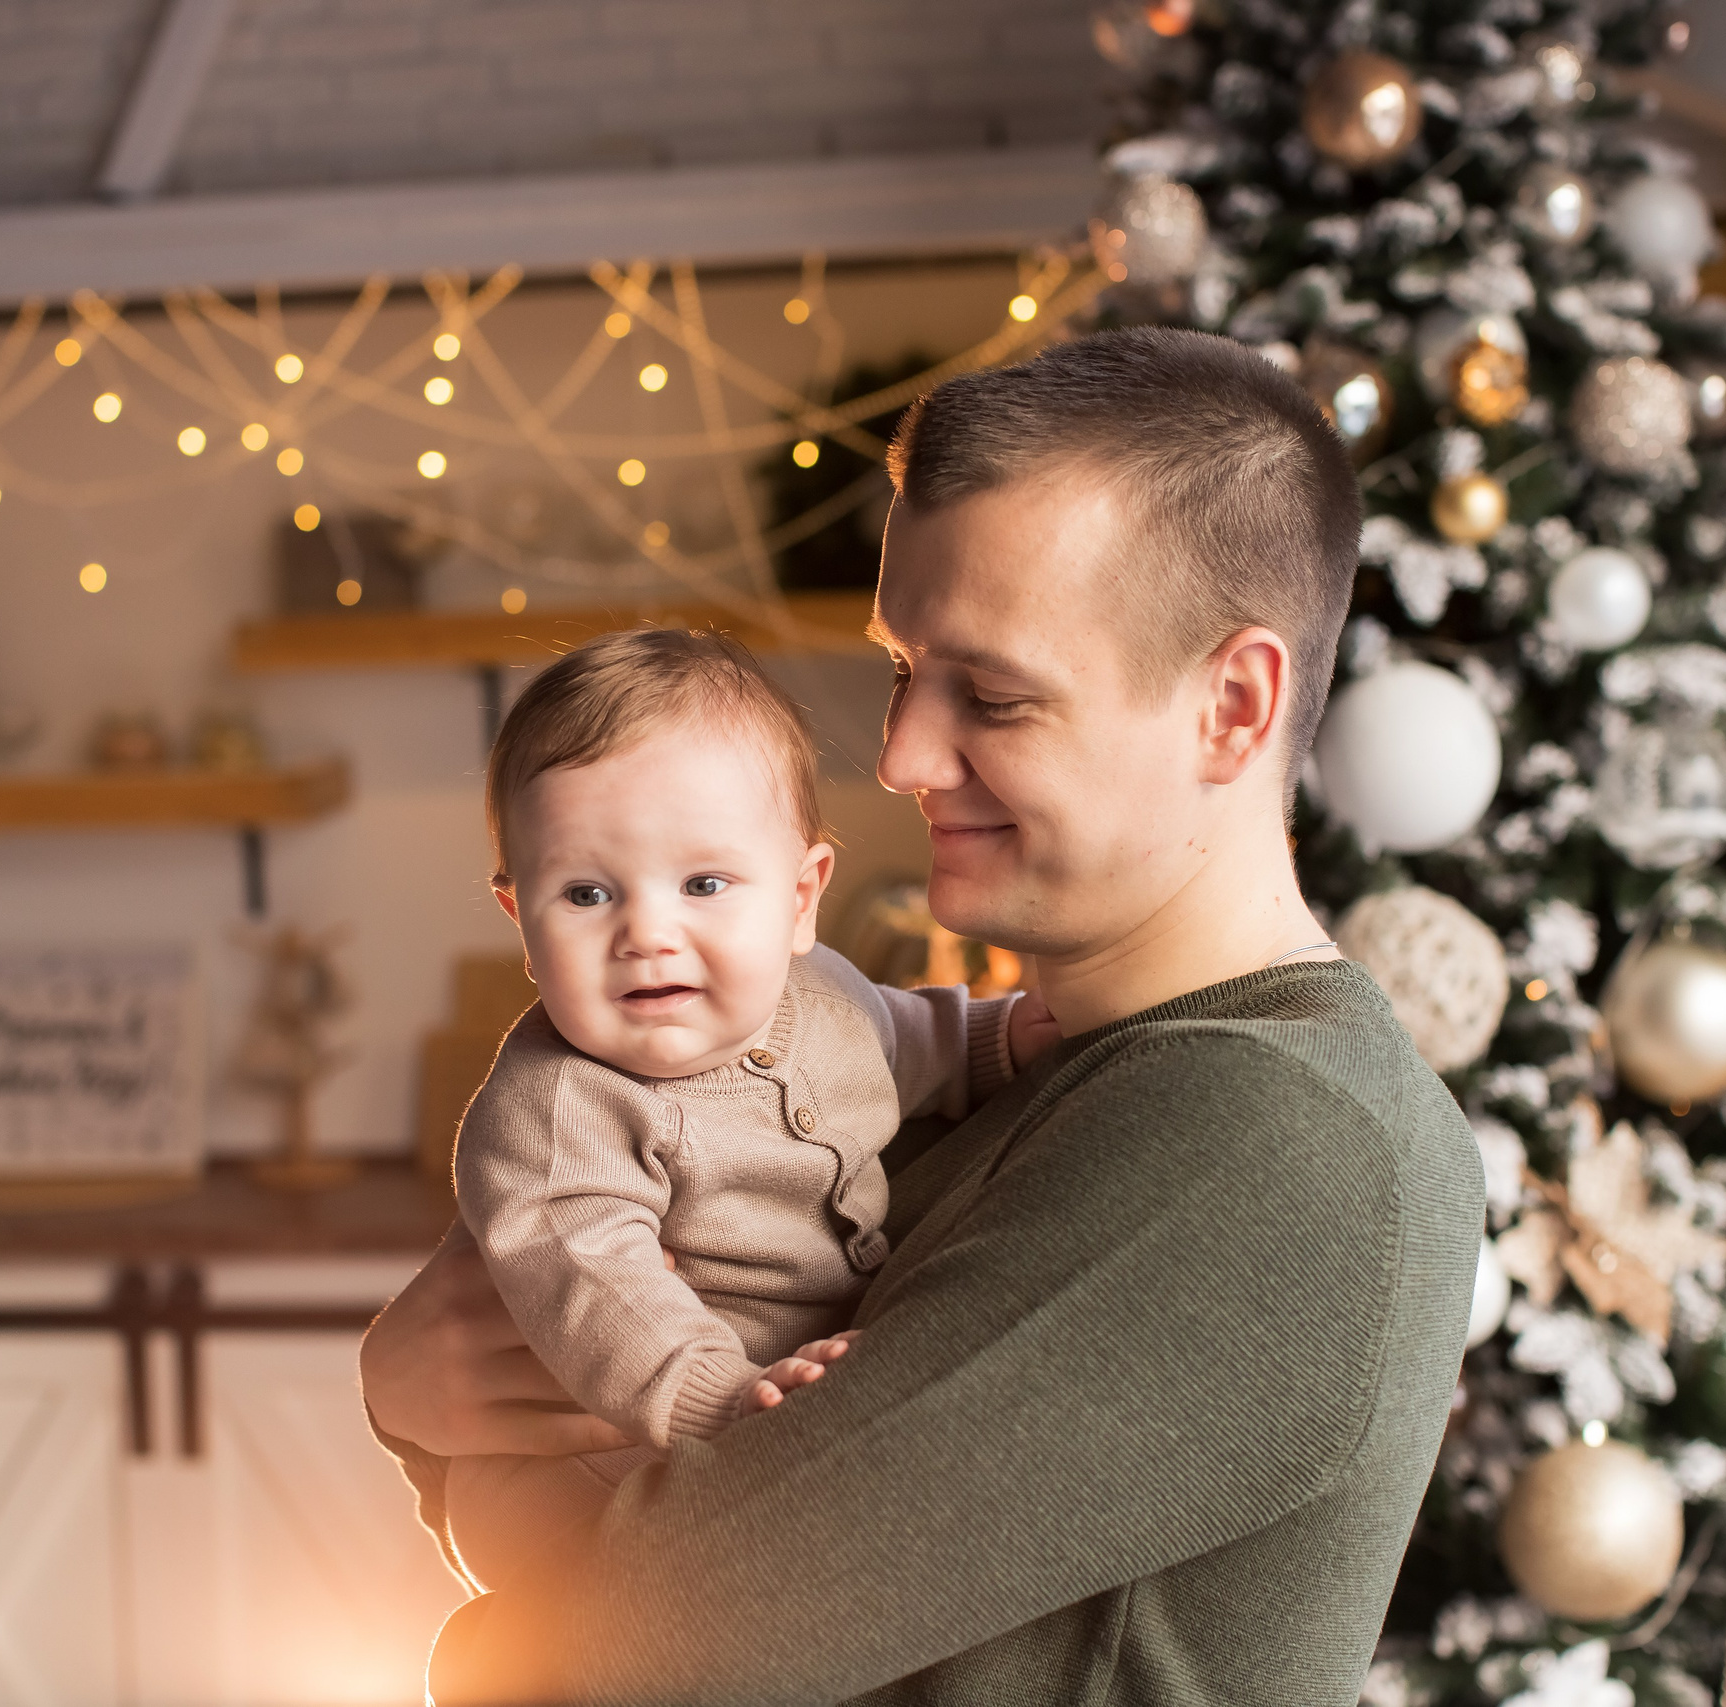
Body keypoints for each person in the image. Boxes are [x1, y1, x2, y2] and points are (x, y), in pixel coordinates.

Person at [361, 326, 1486, 1706]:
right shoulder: (1008, 1068)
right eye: (903, 671)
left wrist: (428, 1443)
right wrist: (426, 1402)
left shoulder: (1274, 1136)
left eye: (992, 696)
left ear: (1231, 707)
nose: (899, 757)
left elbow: (621, 1657)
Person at [442, 626, 1057, 1591]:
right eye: (588, 893)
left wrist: (1002, 1041)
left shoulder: (824, 992)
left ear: (802, 897)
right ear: (521, 918)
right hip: (581, 1472)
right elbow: (595, 1287)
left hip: (765, 1430)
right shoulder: (558, 1107)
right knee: (640, 1612)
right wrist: (717, 1400)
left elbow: (908, 1041)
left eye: (704, 883)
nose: (648, 933)